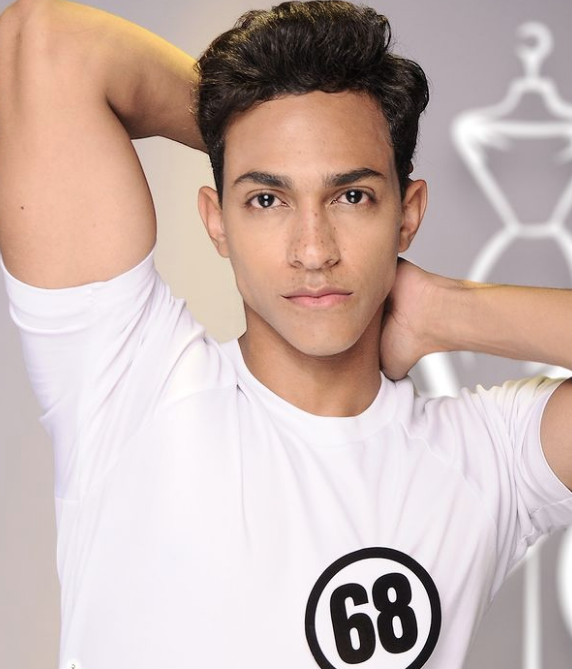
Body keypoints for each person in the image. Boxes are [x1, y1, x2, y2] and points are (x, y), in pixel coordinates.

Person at [0, 1, 571, 668]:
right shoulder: (129, 383)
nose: (313, 250)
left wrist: (441, 309)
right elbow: (46, 42)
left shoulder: (488, 461)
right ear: (217, 220)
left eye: (351, 195)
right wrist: (245, 127)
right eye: (266, 198)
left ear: (407, 214)